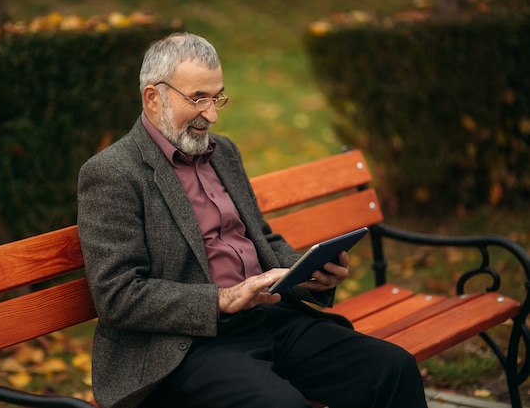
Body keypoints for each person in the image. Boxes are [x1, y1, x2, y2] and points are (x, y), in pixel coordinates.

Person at [77, 32, 428, 408]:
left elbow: (261, 238)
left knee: (393, 368)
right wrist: (222, 300)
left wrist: (308, 272)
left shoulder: (223, 152)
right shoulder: (113, 172)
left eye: (217, 98)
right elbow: (118, 296)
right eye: (198, 99)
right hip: (186, 347)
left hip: (270, 317)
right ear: (153, 98)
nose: (211, 114)